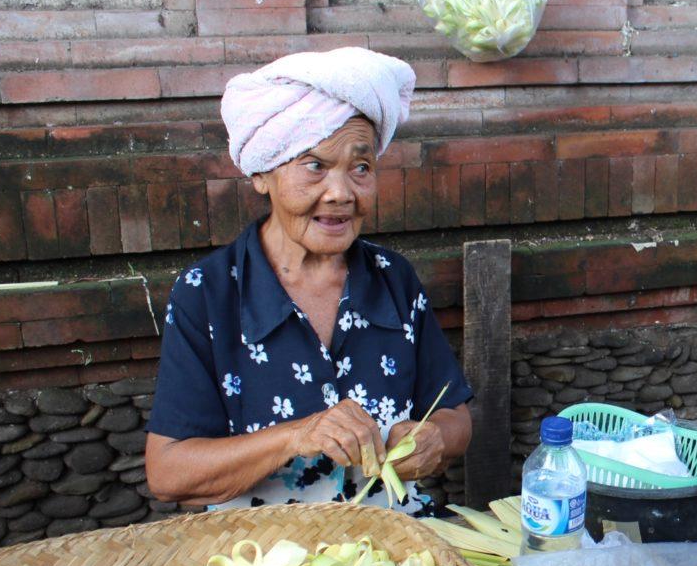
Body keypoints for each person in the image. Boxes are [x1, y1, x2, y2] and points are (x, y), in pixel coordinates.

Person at [144, 47, 473, 513]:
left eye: (361, 168)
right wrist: (297, 436)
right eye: (315, 165)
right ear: (262, 173)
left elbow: (456, 415)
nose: (340, 193)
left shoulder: (393, 279)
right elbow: (168, 472)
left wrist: (434, 438)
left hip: (393, 539)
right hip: (267, 557)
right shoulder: (208, 293)